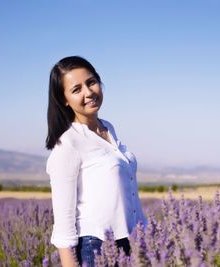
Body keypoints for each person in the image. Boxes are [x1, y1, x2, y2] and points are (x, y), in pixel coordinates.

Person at [45, 56, 147, 267]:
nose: (89, 92)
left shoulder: (108, 128)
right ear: (64, 99)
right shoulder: (68, 144)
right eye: (76, 89)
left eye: (91, 82)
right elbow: (64, 225)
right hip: (96, 248)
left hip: (133, 241)